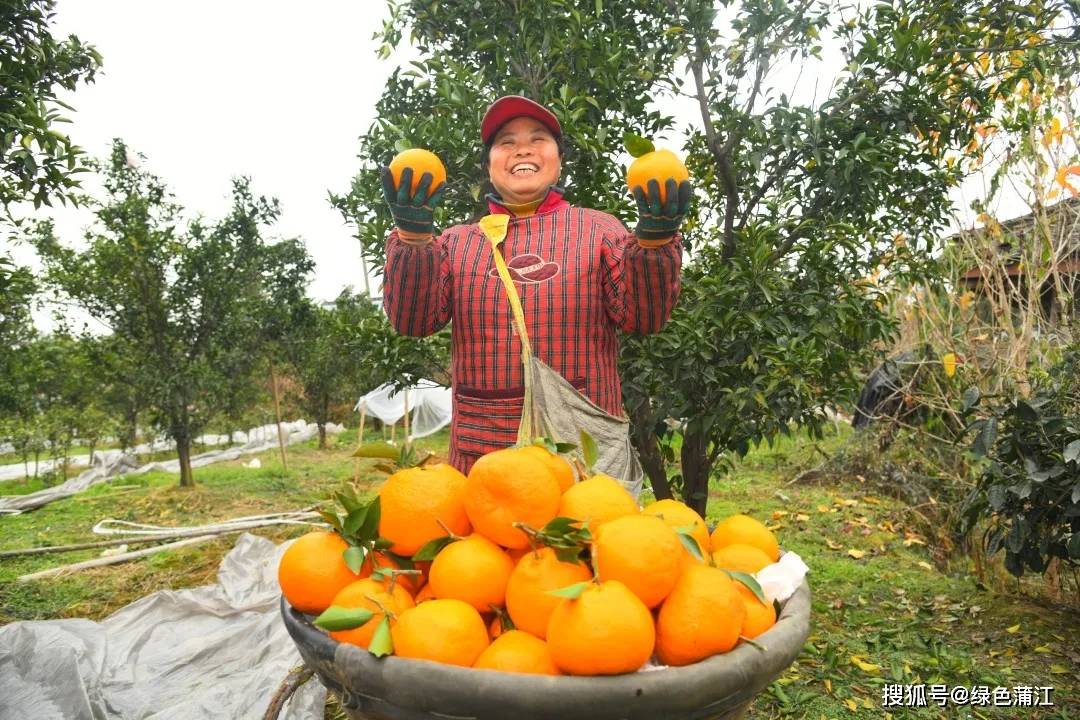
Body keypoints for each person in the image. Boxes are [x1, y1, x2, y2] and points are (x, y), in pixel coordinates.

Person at [380, 95, 690, 478]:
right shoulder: (457, 243)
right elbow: (414, 321)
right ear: (489, 165)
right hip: (485, 456)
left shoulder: (600, 230)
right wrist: (413, 237)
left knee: (599, 537)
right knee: (483, 540)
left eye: (538, 138)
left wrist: (655, 241)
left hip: (582, 454)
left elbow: (644, 318)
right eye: (506, 141)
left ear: (559, 160)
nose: (522, 149)